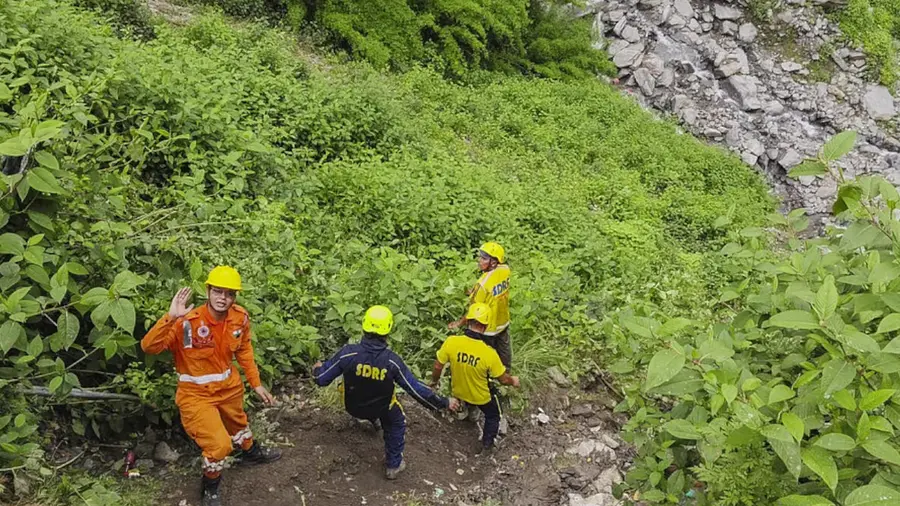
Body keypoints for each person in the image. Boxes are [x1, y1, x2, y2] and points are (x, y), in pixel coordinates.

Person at [141, 266, 281, 506]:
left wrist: (256, 383)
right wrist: (171, 317)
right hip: (196, 396)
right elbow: (149, 347)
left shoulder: (240, 317)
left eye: (229, 294)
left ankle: (250, 453)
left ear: (234, 297)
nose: (223, 298)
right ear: (208, 291)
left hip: (229, 388)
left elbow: (245, 349)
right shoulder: (187, 323)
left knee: (238, 422)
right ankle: (210, 485)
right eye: (218, 292)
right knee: (219, 445)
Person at [312, 305, 459, 480]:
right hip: (381, 409)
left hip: (353, 407)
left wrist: (317, 369)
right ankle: (393, 466)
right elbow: (416, 390)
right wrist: (443, 402)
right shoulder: (392, 362)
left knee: (366, 395)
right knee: (397, 421)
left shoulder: (347, 354)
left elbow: (321, 379)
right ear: (388, 330)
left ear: (364, 326)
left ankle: (374, 422)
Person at [433, 303, 520, 454]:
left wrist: (434, 381)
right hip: (480, 397)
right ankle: (487, 445)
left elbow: (438, 366)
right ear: (485, 327)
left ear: (468, 321)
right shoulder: (489, 353)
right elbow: (503, 379)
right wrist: (513, 380)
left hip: (458, 392)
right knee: (493, 414)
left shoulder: (452, 342)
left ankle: (464, 411)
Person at [449, 242, 512, 369]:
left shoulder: (482, 285)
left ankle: (489, 376)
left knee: (485, 353)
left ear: (493, 262)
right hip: (502, 320)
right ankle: (506, 372)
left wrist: (458, 324)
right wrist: (474, 291)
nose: (479, 261)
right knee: (504, 347)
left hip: (487, 326)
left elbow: (473, 311)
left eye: (483, 258)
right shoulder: (505, 270)